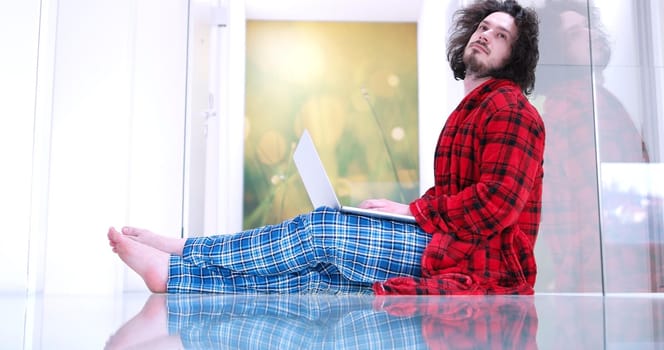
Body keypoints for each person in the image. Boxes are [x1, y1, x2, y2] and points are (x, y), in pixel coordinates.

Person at [108, 0, 544, 295]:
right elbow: (458, 198)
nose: (486, 35)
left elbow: (496, 205)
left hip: (482, 262)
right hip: (453, 245)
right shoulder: (471, 110)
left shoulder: (511, 110)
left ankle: (185, 250)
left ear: (515, 57)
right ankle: (175, 277)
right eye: (484, 27)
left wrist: (414, 213)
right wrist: (405, 207)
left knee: (325, 230)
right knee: (322, 277)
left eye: (502, 36)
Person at [535, 0, 649, 292]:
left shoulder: (598, 102)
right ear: (557, 53)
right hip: (613, 278)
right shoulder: (574, 108)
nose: (590, 33)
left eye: (587, 26)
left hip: (620, 274)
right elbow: (588, 213)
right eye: (574, 34)